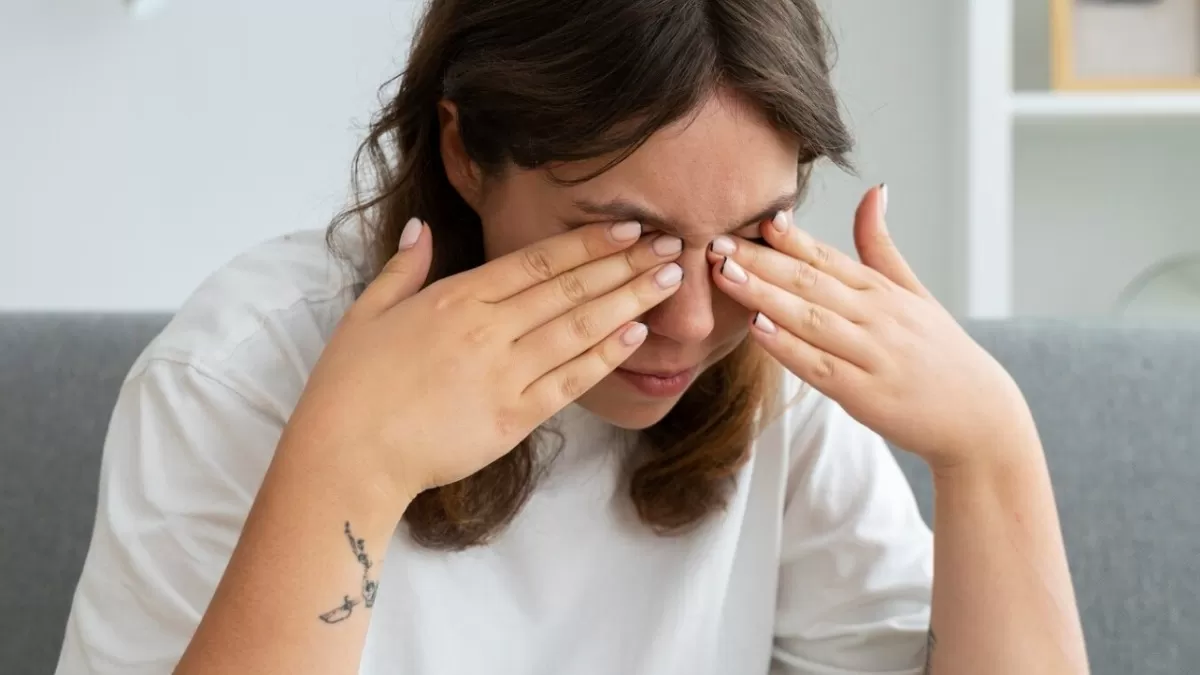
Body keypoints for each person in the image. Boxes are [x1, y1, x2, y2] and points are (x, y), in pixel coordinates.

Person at [55, 0, 1090, 673]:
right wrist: (347, 469)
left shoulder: (777, 369)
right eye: (625, 240)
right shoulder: (235, 377)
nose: (691, 322)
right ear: (465, 154)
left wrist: (992, 451)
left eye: (744, 234)